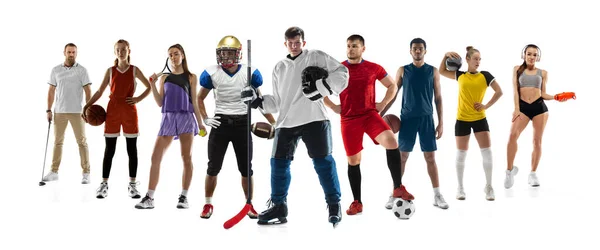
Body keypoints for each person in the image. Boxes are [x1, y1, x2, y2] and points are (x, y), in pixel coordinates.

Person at [241, 26, 349, 226]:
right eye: (290, 43)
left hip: (315, 118)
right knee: (278, 164)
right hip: (286, 122)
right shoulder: (279, 67)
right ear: (285, 44)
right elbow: (278, 101)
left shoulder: (315, 56)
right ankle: (279, 207)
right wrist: (256, 100)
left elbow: (343, 72)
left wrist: (321, 88)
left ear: (303, 43)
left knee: (323, 163)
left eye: (298, 42)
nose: (294, 46)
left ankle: (334, 204)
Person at [323, 34, 414, 216]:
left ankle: (398, 187)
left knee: (391, 142)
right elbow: (319, 90)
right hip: (348, 120)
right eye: (348, 46)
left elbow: (392, 86)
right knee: (354, 161)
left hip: (369, 115)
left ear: (363, 49)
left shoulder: (373, 68)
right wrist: (333, 106)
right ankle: (357, 202)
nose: (350, 49)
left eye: (354, 46)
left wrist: (383, 103)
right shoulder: (338, 70)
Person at [197, 35, 276, 219]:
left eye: (229, 53)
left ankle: (249, 204)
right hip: (220, 123)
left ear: (238, 53)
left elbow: (259, 101)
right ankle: (208, 204)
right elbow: (200, 97)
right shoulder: (212, 72)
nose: (224, 57)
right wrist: (206, 118)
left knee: (246, 169)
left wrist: (274, 123)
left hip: (242, 123)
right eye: (222, 53)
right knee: (213, 167)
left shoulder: (250, 73)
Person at [135, 44, 206, 209]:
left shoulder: (191, 77)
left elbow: (194, 102)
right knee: (155, 157)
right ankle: (149, 198)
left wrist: (200, 123)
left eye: (176, 54)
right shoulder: (164, 78)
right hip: (168, 118)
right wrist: (151, 84)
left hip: (186, 118)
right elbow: (160, 103)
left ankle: (183, 197)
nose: (173, 57)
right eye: (170, 55)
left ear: (182, 55)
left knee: (186, 157)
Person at [380, 38, 449, 209]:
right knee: (402, 158)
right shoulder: (403, 70)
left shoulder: (433, 71)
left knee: (430, 158)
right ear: (410, 51)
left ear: (425, 51)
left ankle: (437, 195)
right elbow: (394, 94)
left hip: (426, 119)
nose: (417, 51)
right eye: (414, 49)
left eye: (420, 49)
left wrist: (441, 123)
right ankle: (395, 192)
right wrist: (380, 113)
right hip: (407, 120)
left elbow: (438, 98)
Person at [82, 39, 151, 199]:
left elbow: (149, 86)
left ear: (129, 51)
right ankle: (104, 184)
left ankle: (132, 185)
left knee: (131, 150)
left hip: (129, 110)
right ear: (115, 52)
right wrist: (87, 106)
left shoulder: (134, 70)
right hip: (112, 110)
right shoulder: (110, 71)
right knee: (109, 150)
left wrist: (138, 99)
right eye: (118, 50)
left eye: (123, 49)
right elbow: (99, 91)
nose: (121, 52)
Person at [439, 46, 503, 201]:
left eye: (480, 59)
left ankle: (489, 187)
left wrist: (486, 105)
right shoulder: (459, 75)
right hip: (462, 119)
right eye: (475, 59)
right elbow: (441, 71)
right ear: (467, 59)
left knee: (487, 152)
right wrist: (445, 55)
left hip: (480, 118)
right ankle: (460, 188)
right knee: (461, 154)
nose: (478, 62)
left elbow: (499, 92)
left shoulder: (485, 75)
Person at [504, 44, 566, 188]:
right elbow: (515, 91)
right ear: (524, 55)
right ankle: (509, 171)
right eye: (529, 54)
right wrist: (516, 109)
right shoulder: (517, 70)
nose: (532, 57)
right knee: (512, 136)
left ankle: (532, 174)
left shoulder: (543, 73)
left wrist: (555, 97)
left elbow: (543, 93)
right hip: (523, 107)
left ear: (538, 57)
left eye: (534, 55)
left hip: (539, 108)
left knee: (537, 141)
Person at [43, 43, 92, 184]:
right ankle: (54, 171)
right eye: (69, 52)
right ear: (64, 52)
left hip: (78, 112)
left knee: (82, 142)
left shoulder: (82, 70)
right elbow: (51, 91)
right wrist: (48, 109)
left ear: (77, 53)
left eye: (73, 52)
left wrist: (87, 109)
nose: (71, 54)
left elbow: (88, 91)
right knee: (58, 142)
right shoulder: (56, 70)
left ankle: (86, 173)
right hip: (59, 111)